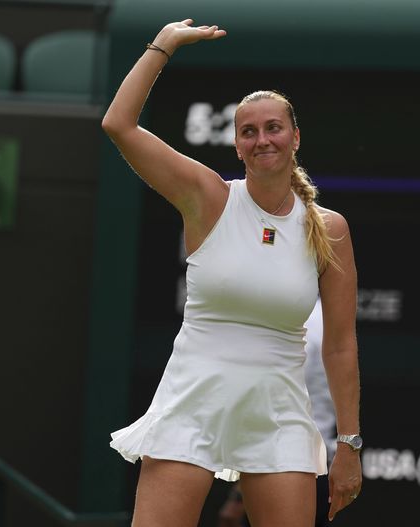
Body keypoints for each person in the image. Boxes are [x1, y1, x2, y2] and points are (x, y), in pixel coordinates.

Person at [101, 18, 362, 527]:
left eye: (273, 128)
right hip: (194, 399)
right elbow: (119, 125)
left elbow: (340, 344)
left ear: (294, 137)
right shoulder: (208, 197)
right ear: (237, 144)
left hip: (279, 412)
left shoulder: (329, 229)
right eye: (249, 131)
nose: (262, 139)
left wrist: (348, 444)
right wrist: (164, 46)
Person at [218, 297, 336, 527]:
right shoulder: (326, 317)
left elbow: (274, 412)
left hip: (287, 468)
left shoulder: (301, 319)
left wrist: (238, 498)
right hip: (310, 466)